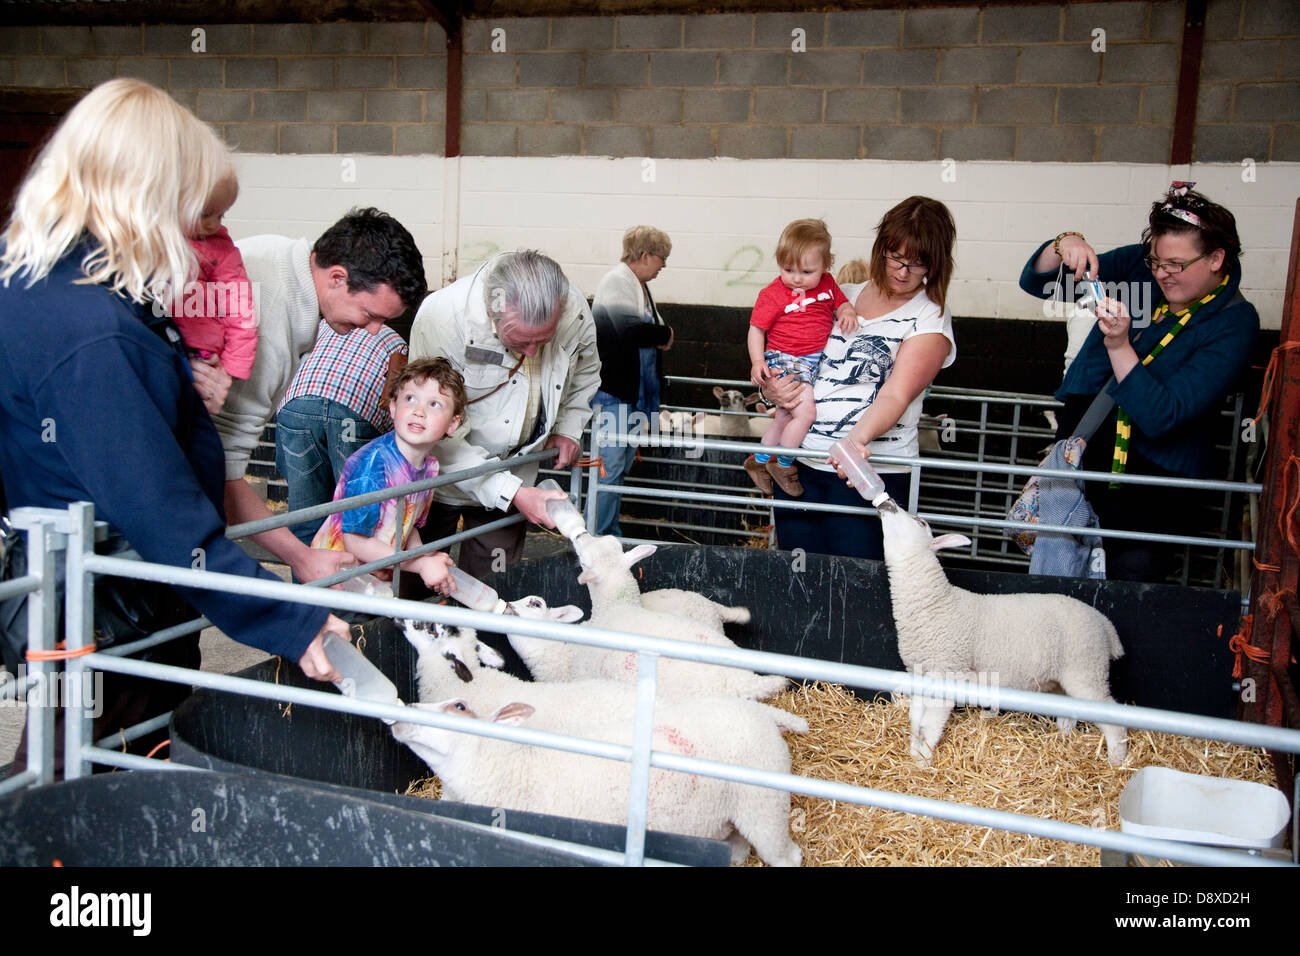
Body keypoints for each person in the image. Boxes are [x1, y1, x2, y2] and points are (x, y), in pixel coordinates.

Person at [0, 79, 349, 765]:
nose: (206, 246)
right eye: (197, 224)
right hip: (109, 596)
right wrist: (290, 618)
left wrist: (173, 373)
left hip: (76, 584)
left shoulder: (42, 284)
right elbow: (160, 511)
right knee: (92, 764)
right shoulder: (94, 331)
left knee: (83, 750)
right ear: (147, 204)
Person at [1019, 183, 1259, 582]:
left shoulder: (1234, 321)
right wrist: (1064, 243)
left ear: (1217, 258)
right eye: (1156, 261)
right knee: (1059, 568)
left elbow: (1162, 416)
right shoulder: (1139, 269)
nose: (1162, 273)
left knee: (1131, 578)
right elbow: (1041, 283)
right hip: (1085, 453)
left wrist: (1118, 344)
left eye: (1176, 264)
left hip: (1152, 483)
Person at [210, 207, 428, 585]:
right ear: (337, 277)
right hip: (146, 480)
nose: (374, 332)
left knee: (308, 512)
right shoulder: (266, 325)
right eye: (369, 313)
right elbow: (221, 473)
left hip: (293, 415)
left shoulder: (275, 254)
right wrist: (300, 557)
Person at [764, 197, 958, 560]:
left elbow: (895, 395)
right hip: (802, 465)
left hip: (866, 473)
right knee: (798, 574)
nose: (903, 272)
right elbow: (794, 354)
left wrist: (854, 444)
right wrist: (772, 387)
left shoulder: (930, 317)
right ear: (880, 247)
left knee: (856, 584)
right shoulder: (843, 297)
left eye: (918, 264)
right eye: (896, 258)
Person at [409, 250, 600, 578]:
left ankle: (487, 628)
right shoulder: (442, 318)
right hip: (442, 472)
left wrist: (569, 427)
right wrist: (511, 491)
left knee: (495, 579)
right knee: (420, 573)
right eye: (520, 341)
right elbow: (432, 427)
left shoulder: (573, 311)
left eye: (544, 340)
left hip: (517, 468)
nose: (532, 352)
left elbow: (586, 369)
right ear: (491, 312)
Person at [311, 358, 464, 595]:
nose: (419, 411)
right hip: (339, 578)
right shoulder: (372, 466)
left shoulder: (430, 466)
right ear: (393, 407)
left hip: (375, 576)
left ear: (453, 423)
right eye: (410, 399)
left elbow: (406, 523)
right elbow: (354, 540)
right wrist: (420, 564)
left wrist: (424, 554)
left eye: (434, 404)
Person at [745, 219, 859, 497]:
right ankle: (783, 464)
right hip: (785, 358)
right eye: (788, 269)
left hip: (812, 362)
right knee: (806, 413)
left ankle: (759, 461)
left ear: (826, 265)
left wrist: (846, 311)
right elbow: (756, 329)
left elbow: (841, 302)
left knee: (785, 415)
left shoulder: (829, 285)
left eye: (807, 271)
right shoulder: (772, 294)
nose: (796, 278)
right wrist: (758, 361)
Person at [275, 320, 408, 546]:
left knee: (305, 514)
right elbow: (392, 401)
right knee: (354, 515)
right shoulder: (398, 345)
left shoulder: (326, 325)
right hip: (353, 412)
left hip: (297, 406)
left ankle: (308, 577)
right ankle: (348, 578)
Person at [590, 226, 674, 536]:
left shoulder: (636, 284)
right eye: (661, 257)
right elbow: (629, 330)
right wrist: (664, 335)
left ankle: (608, 533)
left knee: (619, 467)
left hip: (632, 395)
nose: (663, 265)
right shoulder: (617, 281)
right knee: (609, 470)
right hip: (615, 393)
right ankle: (596, 540)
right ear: (646, 255)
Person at [168, 169, 258, 381]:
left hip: (197, 351)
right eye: (204, 214)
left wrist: (235, 364)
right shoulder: (154, 237)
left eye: (221, 215)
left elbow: (239, 308)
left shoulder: (220, 251)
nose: (213, 224)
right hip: (158, 340)